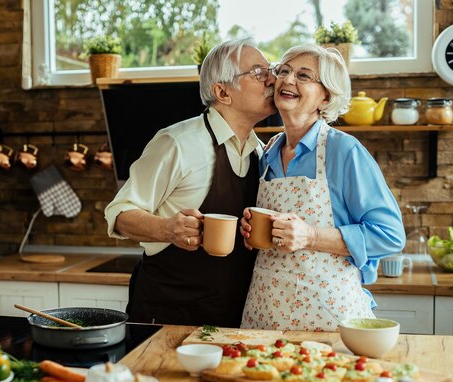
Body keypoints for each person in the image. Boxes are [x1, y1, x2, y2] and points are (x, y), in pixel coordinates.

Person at [104, 38, 276, 327]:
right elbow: (119, 213)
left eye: (270, 69)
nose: (272, 78)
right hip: (169, 317)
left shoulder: (262, 153)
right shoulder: (178, 143)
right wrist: (167, 228)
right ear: (222, 91)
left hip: (232, 319)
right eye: (258, 72)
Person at [239, 44, 405, 332]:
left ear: (325, 96)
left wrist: (311, 236)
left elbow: (390, 236)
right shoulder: (268, 152)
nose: (288, 81)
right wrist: (250, 230)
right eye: (284, 71)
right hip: (265, 318)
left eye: (304, 76)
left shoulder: (343, 151)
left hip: (329, 319)